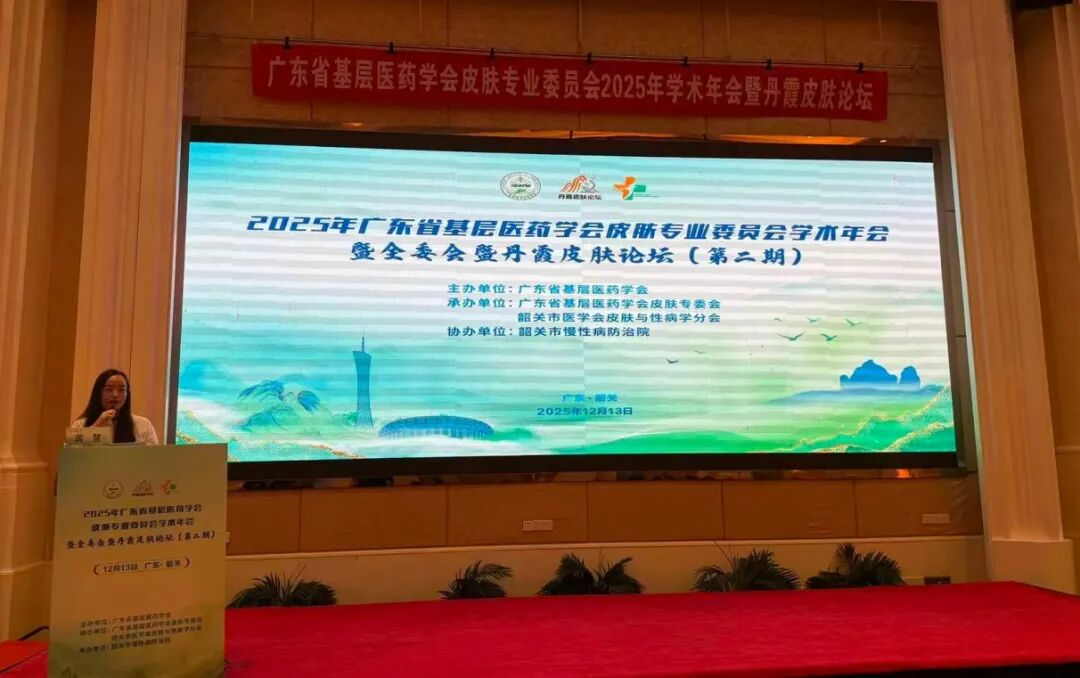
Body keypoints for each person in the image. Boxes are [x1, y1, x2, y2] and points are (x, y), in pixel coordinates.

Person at [71, 368, 159, 445]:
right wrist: (96, 427)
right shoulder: (79, 425)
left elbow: (153, 456)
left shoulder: (143, 425)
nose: (115, 395)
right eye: (109, 389)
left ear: (127, 394)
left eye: (121, 390)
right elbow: (72, 455)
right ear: (98, 393)